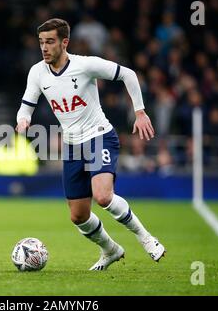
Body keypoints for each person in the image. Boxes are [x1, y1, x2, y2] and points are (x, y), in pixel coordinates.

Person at [15, 18, 165, 271]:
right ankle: (110, 250)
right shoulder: (37, 72)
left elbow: (128, 74)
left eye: (50, 42)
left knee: (103, 196)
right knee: (78, 216)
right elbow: (26, 105)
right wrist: (22, 120)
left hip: (98, 136)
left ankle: (146, 238)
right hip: (72, 145)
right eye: (41, 42)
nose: (44, 47)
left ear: (64, 42)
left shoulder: (85, 65)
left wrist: (140, 112)